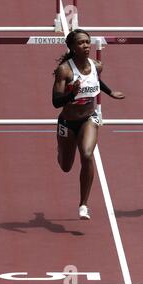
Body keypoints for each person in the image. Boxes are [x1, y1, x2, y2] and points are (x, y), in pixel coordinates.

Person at [52, 29, 125, 220]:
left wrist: (110, 93)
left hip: (88, 119)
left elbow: (96, 81)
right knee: (66, 166)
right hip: (67, 123)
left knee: (86, 154)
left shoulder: (97, 65)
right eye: (81, 43)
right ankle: (61, 150)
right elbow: (55, 101)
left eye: (87, 42)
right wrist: (72, 94)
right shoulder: (65, 71)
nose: (86, 46)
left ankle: (83, 204)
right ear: (72, 47)